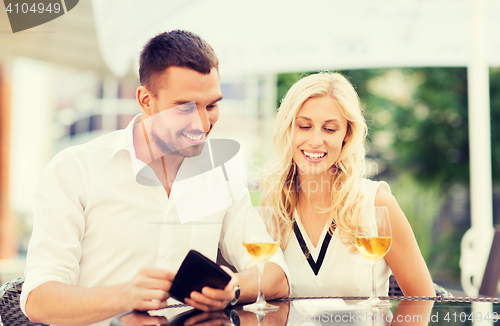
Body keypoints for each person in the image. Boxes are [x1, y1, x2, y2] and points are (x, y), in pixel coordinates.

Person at [21, 30, 290, 326]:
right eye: (184, 107)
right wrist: (123, 296)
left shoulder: (220, 174)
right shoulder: (74, 169)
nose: (202, 123)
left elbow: (276, 274)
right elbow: (38, 299)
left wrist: (232, 288)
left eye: (211, 105)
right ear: (145, 100)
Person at [259, 72, 435, 297]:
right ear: (288, 130)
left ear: (347, 134)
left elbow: (422, 302)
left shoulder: (377, 204)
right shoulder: (270, 209)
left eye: (329, 129)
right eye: (304, 126)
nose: (315, 141)